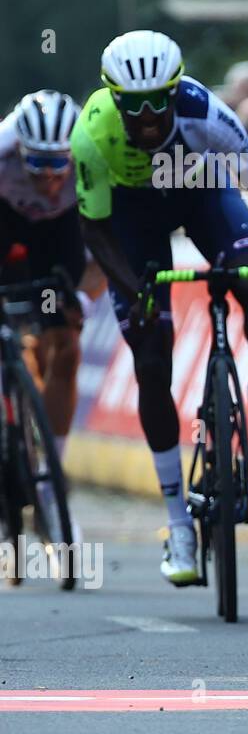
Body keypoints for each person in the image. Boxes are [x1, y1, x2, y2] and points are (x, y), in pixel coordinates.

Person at [70, 30, 248, 585]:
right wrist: (136, 289)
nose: (151, 116)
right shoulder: (92, 133)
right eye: (136, 105)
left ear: (177, 91)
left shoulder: (204, 113)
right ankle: (178, 522)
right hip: (130, 221)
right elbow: (95, 229)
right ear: (114, 99)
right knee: (152, 359)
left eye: (161, 100)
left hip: (201, 194)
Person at [0, 91, 86, 548]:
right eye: (37, 164)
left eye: (60, 165)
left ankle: (51, 483)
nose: (50, 177)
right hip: (5, 227)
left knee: (66, 345)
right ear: (19, 152)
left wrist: (83, 301)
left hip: (57, 237)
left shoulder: (93, 160)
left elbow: (111, 241)